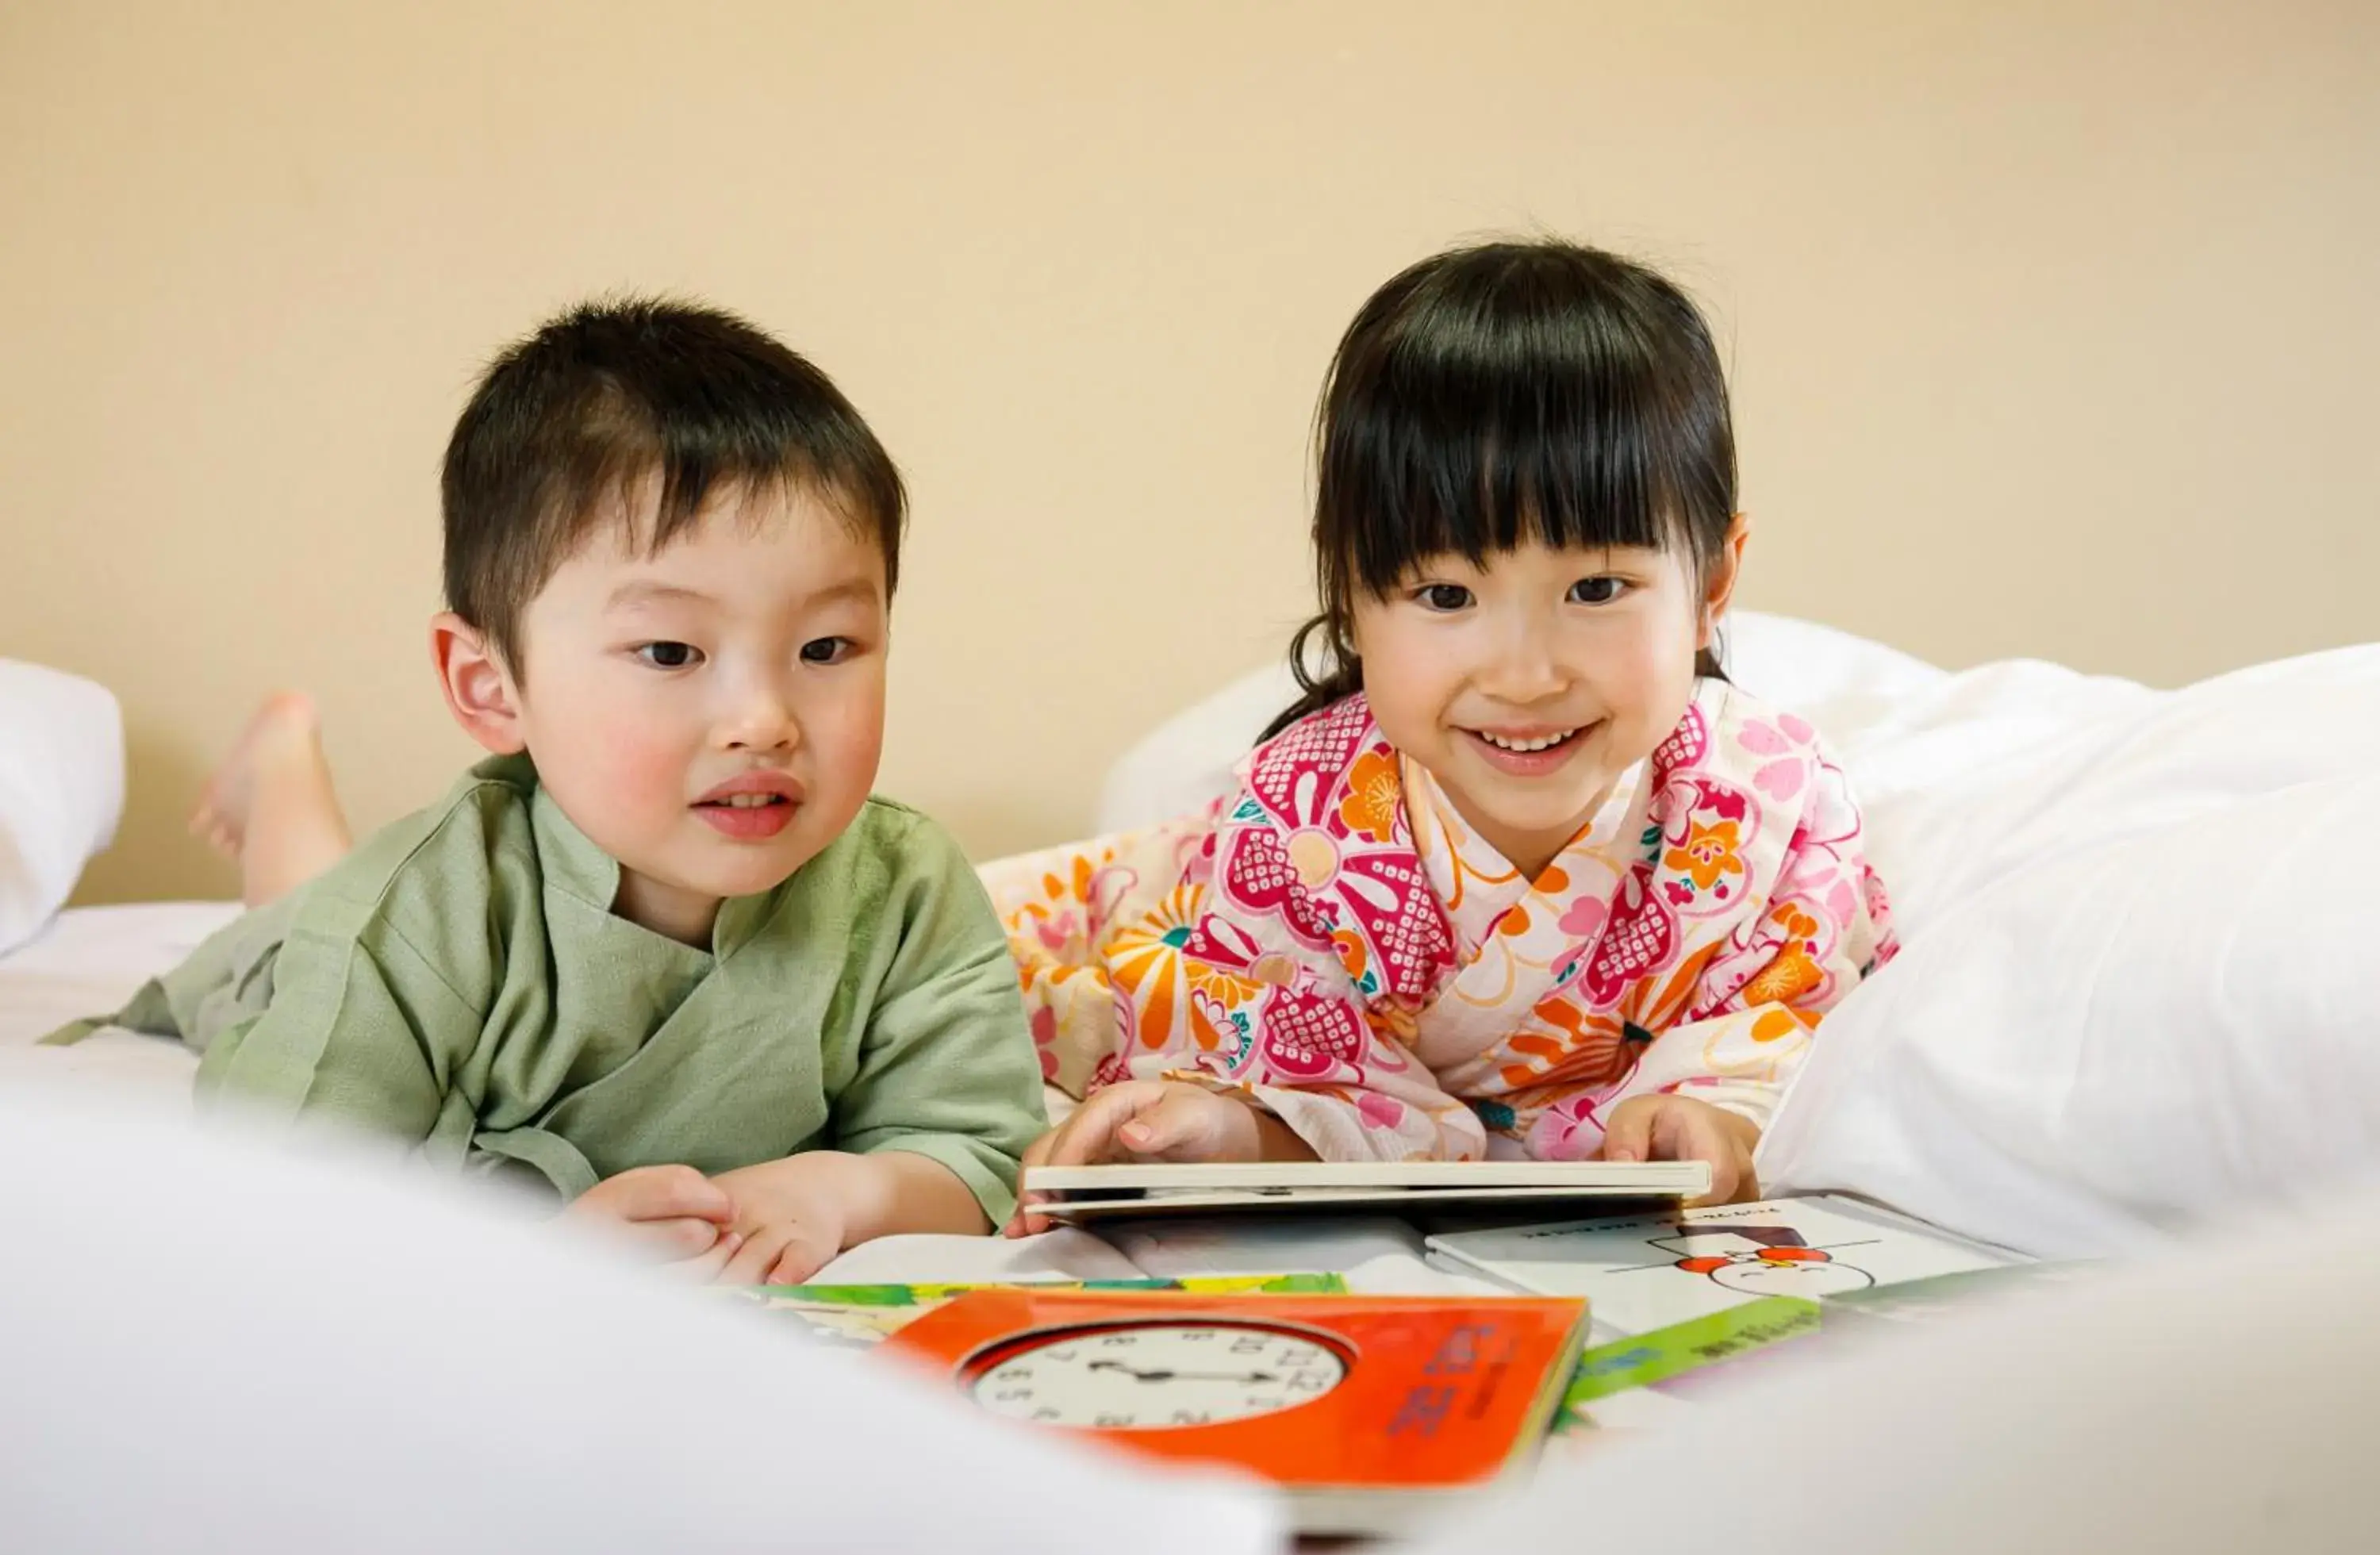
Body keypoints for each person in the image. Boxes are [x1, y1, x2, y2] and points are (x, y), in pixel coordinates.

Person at [52, 298, 1046, 1282]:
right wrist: (535, 1260)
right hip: (308, 948)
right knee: (301, 903)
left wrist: (841, 1192)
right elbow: (284, 1200)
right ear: (491, 689)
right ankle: (282, 764)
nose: (764, 719)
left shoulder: (905, 885)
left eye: (825, 647)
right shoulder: (412, 917)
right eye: (669, 649)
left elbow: (979, 1148)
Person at [992, 239, 1894, 1226]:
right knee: (987, 982)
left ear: (1714, 581)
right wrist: (1218, 1125)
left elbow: (1779, 1023)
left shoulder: (1769, 802)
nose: (1524, 674)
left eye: (1597, 588)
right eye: (1445, 592)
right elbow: (1295, 1082)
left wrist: (1720, 1121)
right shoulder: (1298, 820)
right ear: (1351, 594)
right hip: (1192, 905)